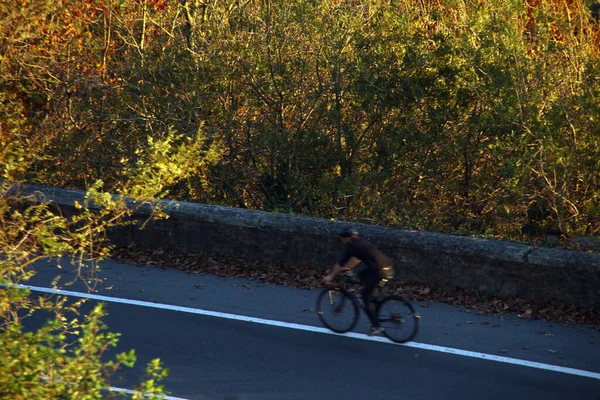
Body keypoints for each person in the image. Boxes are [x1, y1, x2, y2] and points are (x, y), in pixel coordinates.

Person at [323, 227, 393, 336]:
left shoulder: (351, 246)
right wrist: (347, 268)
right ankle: (373, 298)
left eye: (343, 239)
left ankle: (376, 326)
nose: (343, 241)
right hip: (387, 267)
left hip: (378, 272)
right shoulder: (361, 242)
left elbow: (339, 263)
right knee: (362, 275)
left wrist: (330, 276)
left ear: (347, 238)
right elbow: (357, 258)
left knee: (364, 296)